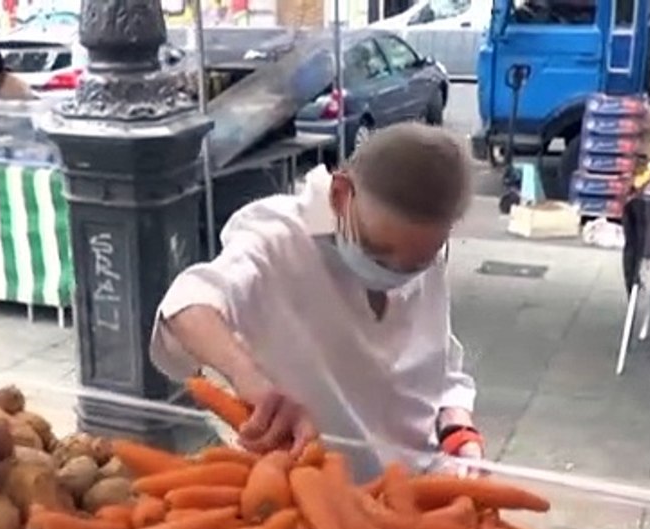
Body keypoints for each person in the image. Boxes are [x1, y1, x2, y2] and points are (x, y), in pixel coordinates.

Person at [150, 123, 481, 480]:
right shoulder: (276, 237)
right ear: (341, 195)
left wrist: (457, 429)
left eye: (417, 264)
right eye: (379, 255)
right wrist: (249, 378)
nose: (395, 275)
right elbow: (187, 304)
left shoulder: (428, 254)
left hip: (423, 486)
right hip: (314, 487)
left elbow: (439, 365)